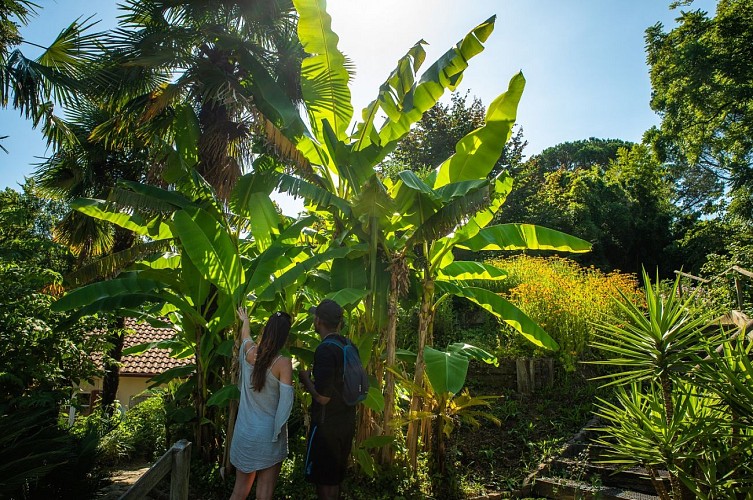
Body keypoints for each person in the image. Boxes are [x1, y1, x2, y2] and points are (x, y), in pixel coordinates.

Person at [229, 308, 294, 500]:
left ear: (266, 330)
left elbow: (245, 336)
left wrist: (245, 320)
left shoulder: (248, 352)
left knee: (239, 491)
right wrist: (277, 433)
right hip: (268, 436)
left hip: (244, 434)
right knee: (264, 495)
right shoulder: (283, 364)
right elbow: (285, 404)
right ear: (284, 337)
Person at [298, 299, 357, 500]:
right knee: (335, 478)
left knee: (325, 481)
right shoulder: (349, 345)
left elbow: (323, 398)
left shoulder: (325, 350)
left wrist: (306, 380)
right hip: (347, 421)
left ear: (318, 321)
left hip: (327, 426)